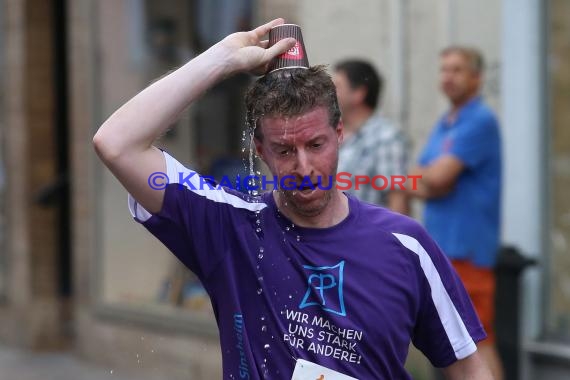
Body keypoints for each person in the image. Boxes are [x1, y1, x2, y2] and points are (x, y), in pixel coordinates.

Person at [93, 19, 494, 379]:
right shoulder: (231, 225)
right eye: (285, 150)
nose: (304, 166)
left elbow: (469, 365)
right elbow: (117, 144)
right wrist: (221, 59)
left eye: (316, 144)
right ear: (261, 150)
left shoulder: (406, 244)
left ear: (339, 134)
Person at [407, 46, 503, 380]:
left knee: (477, 345)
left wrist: (428, 180)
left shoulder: (479, 120)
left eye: (457, 70)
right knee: (455, 348)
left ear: (477, 77)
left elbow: (435, 178)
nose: (448, 76)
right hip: (444, 250)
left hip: (468, 252)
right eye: (444, 69)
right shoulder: (446, 122)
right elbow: (419, 178)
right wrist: (426, 181)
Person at [333, 60, 409, 214]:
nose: (328, 93)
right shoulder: (332, 133)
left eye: (336, 87)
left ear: (358, 93)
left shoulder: (386, 138)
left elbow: (397, 202)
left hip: (369, 236)